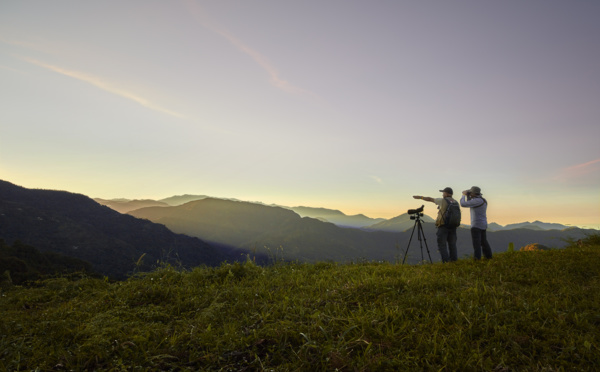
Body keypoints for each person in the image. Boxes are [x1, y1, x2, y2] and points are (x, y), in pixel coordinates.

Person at [412, 187, 459, 262]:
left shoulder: (443, 200)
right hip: (453, 226)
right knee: (452, 245)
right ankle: (454, 261)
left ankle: (446, 262)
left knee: (442, 245)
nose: (442, 194)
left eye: (443, 192)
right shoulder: (456, 202)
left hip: (443, 226)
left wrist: (420, 197)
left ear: (446, 193)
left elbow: (430, 199)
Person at [460, 186, 493, 260]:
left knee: (476, 244)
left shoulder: (477, 201)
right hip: (483, 224)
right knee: (483, 242)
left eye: (471, 193)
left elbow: (463, 204)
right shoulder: (482, 200)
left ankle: (477, 259)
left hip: (476, 225)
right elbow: (470, 203)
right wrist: (468, 195)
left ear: (474, 193)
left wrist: (463, 195)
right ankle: (488, 257)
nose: (470, 194)